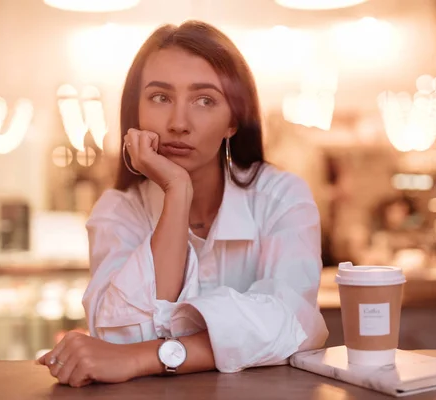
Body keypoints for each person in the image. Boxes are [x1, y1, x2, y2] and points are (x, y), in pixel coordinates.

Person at [38, 20, 328, 387]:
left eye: (204, 100)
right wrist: (177, 191)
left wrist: (152, 355)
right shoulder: (118, 210)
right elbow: (121, 334)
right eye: (160, 97)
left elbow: (294, 326)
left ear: (233, 121)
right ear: (136, 113)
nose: (178, 123)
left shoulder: (281, 197)